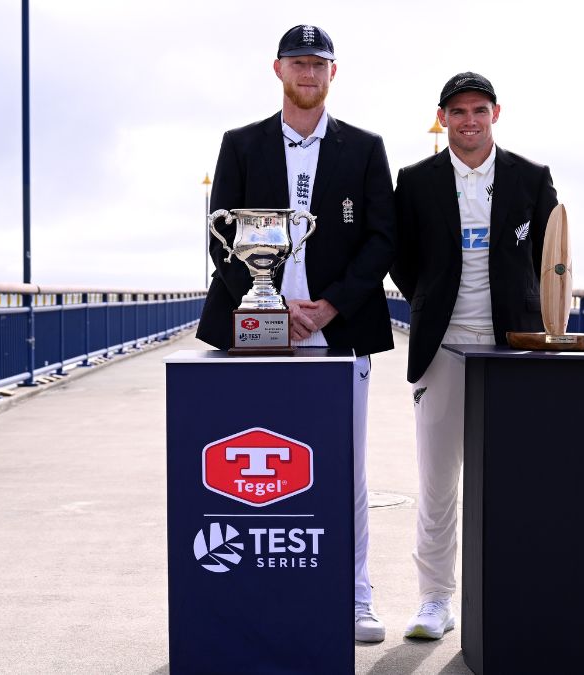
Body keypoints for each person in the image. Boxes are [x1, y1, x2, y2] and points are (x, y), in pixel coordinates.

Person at [195, 24, 396, 643]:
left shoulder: (364, 148)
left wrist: (331, 306)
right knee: (257, 472)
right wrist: (275, 305)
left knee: (346, 470)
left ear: (333, 74)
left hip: (340, 334)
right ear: (277, 70)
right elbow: (219, 237)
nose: (308, 74)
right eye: (298, 63)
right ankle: (258, 593)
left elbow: (381, 238)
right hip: (258, 331)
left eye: (319, 64)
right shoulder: (242, 144)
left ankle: (356, 593)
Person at [390, 72, 559, 639]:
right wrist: (428, 299)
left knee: (513, 480)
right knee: (438, 481)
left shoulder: (531, 180)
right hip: (443, 347)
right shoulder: (415, 181)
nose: (468, 121)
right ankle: (434, 600)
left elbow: (549, 258)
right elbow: (401, 257)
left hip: (512, 349)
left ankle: (511, 595)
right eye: (457, 111)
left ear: (496, 113)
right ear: (442, 117)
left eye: (478, 110)